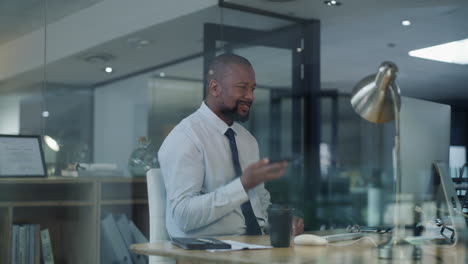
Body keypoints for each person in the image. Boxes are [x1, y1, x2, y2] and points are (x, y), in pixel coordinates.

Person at [158, 53, 304, 237]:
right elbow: (184, 216)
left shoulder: (247, 140)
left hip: (255, 247)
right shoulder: (185, 137)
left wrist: (281, 220)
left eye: (252, 89)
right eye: (242, 88)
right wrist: (242, 185)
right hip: (207, 254)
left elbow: (258, 203)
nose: (250, 96)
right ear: (215, 87)